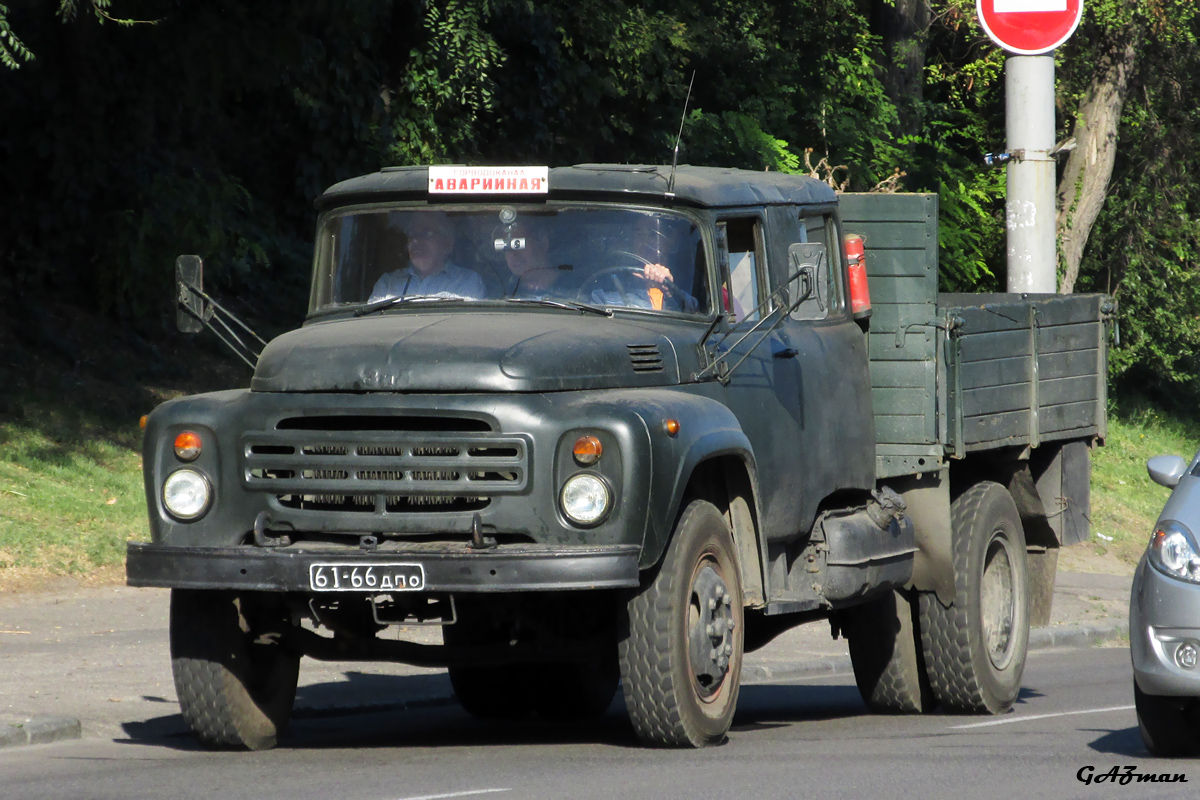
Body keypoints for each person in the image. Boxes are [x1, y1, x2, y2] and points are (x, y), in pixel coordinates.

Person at [369, 212, 485, 302]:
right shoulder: (388, 284)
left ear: (448, 244)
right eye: (412, 233)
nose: (416, 240)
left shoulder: (467, 282)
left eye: (426, 234)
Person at [501, 219, 573, 299]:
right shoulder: (500, 293)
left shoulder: (576, 288)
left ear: (542, 243)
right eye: (507, 248)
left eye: (519, 244)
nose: (513, 254)